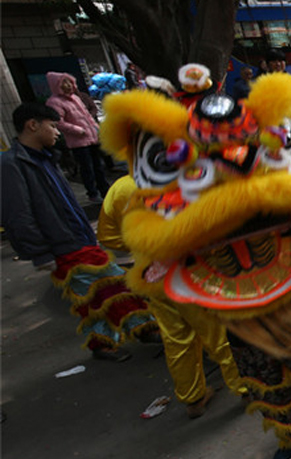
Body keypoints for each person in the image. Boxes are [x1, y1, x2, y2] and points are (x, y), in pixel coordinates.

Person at [1, 102, 157, 358]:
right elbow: (18, 215)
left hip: (79, 239)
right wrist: (40, 253)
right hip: (61, 246)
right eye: (52, 126)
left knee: (102, 292)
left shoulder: (45, 158)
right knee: (109, 287)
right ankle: (127, 334)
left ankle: (132, 332)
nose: (57, 132)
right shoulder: (12, 164)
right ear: (32, 125)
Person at [97, 175, 247, 418]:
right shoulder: (179, 179)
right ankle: (244, 387)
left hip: (149, 275)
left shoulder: (118, 188)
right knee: (218, 333)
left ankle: (193, 399)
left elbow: (107, 236)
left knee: (176, 338)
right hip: (189, 272)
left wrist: (141, 245)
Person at [44, 71, 109, 202]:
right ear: (56, 85)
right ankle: (92, 194)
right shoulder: (54, 102)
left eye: (69, 82)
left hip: (92, 138)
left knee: (98, 166)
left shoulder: (76, 98)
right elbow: (58, 122)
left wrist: (96, 129)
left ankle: (105, 192)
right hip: (78, 141)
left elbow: (88, 116)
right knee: (87, 168)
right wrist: (78, 130)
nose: (68, 85)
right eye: (64, 83)